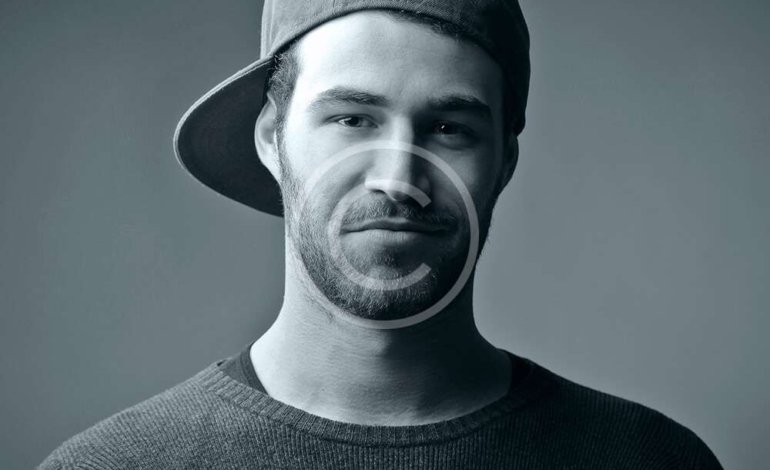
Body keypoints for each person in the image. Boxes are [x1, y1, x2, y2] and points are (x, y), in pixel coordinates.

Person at [39, 0, 723, 468]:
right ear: (272, 138)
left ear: (504, 162)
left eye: (450, 129)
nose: (399, 178)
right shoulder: (114, 464)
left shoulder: (649, 459)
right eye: (352, 120)